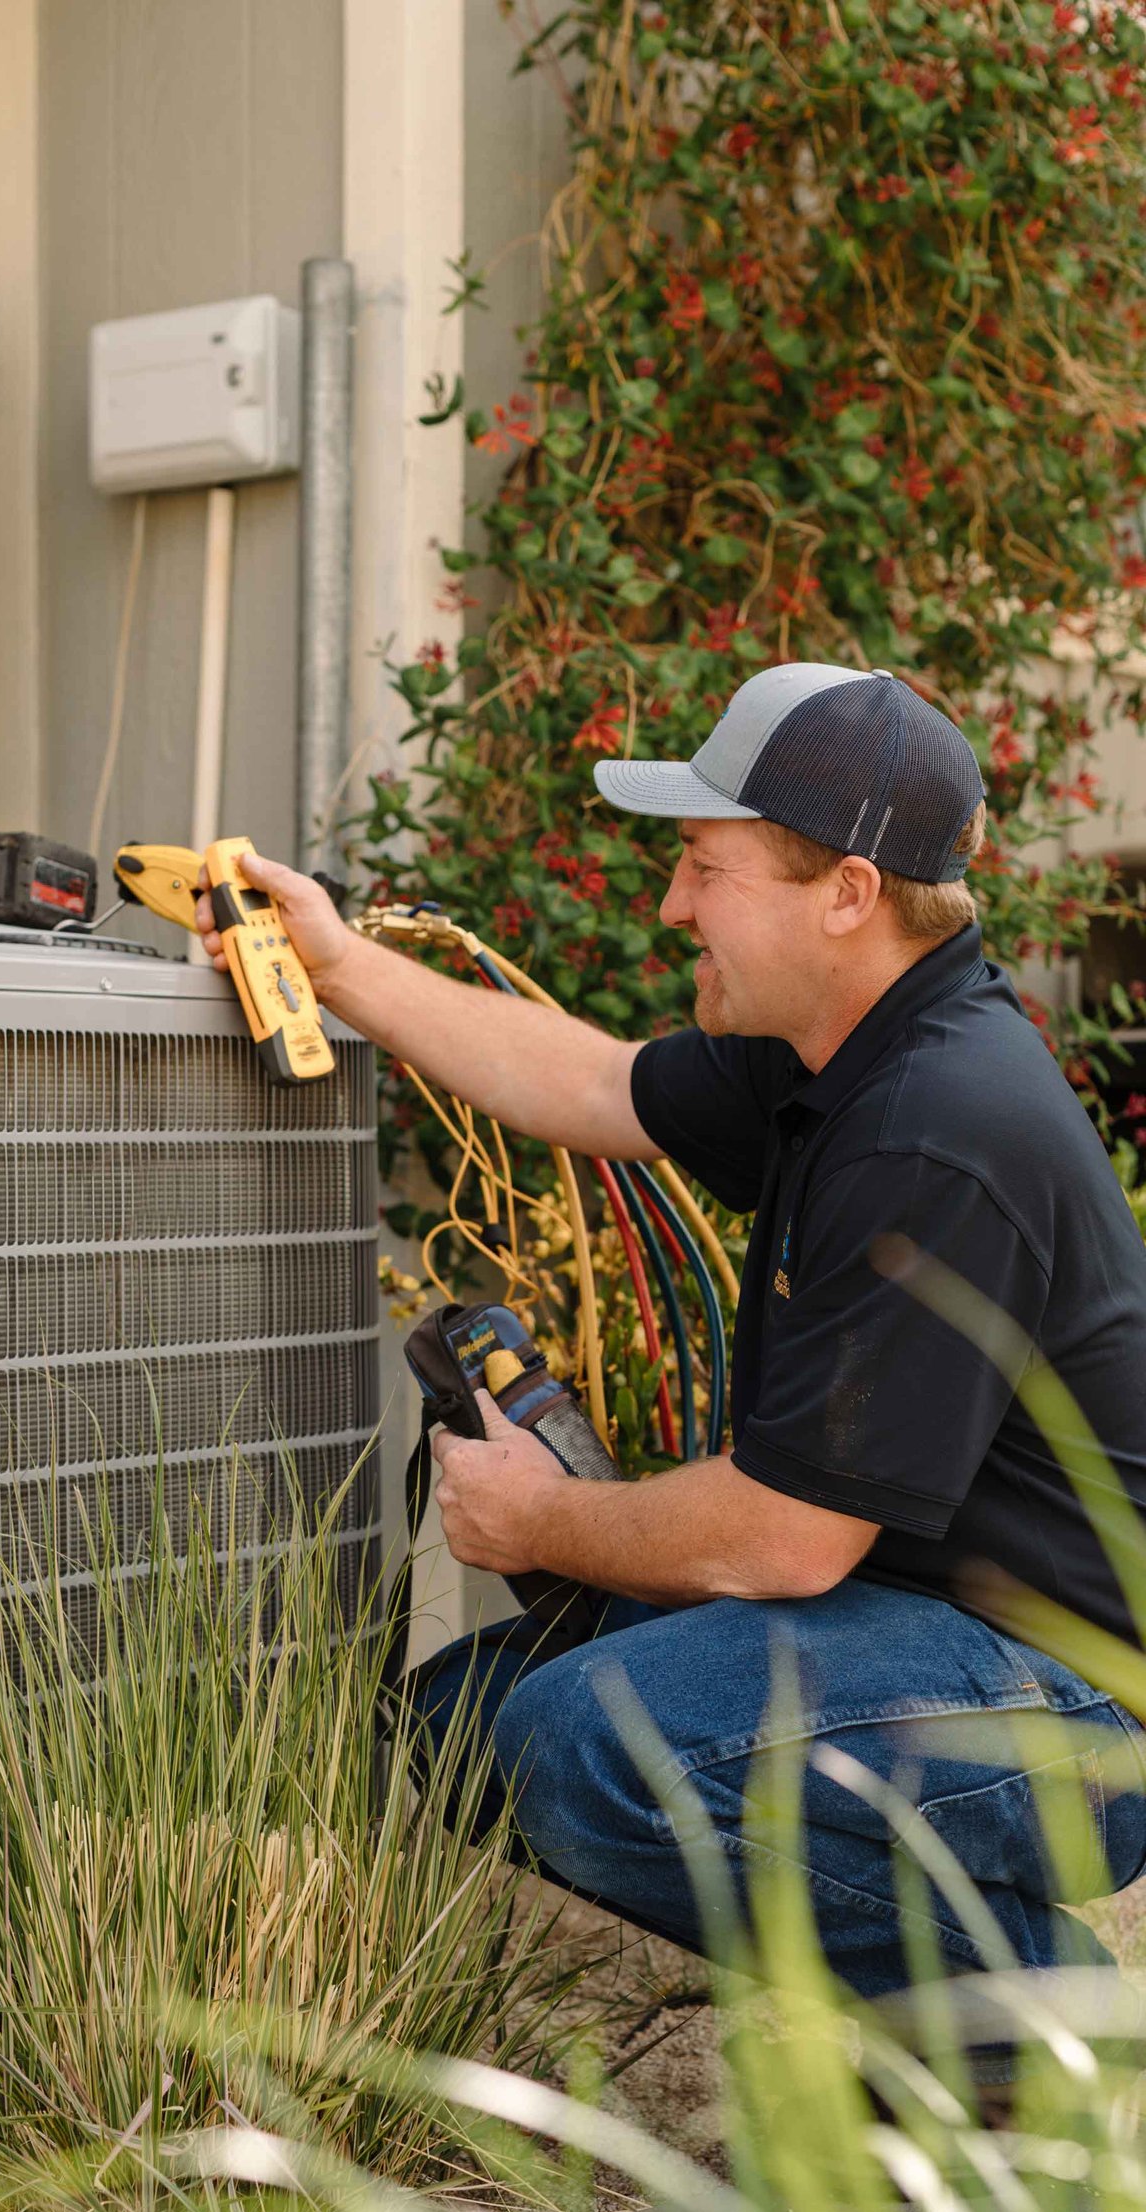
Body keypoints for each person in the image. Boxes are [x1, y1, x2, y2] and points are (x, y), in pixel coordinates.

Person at [194, 661, 1146, 2052]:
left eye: (707, 865)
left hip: (1073, 1707)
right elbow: (585, 1082)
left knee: (585, 1744)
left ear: (847, 894)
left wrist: (546, 1520)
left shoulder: (938, 1125)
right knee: (462, 1730)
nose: (671, 903)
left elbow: (786, 1542)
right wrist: (339, 966)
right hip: (917, 1626)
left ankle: (1020, 2030)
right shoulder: (839, 1050)